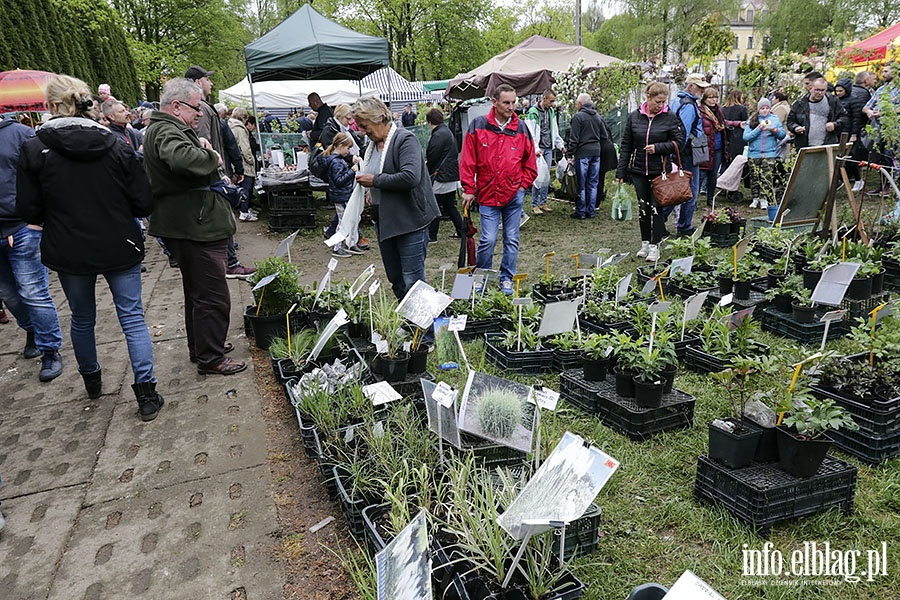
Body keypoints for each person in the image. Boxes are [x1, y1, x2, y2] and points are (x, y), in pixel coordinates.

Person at [16, 74, 164, 419]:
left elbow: (29, 210)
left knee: (82, 318)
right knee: (132, 318)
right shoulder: (116, 144)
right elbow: (143, 202)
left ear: (51, 106)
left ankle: (92, 382)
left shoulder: (35, 148)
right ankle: (146, 394)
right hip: (119, 243)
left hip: (69, 248)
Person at [142, 77, 247, 376]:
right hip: (193, 225)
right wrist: (210, 155)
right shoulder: (165, 129)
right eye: (196, 107)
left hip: (189, 223)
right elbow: (182, 159)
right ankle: (211, 357)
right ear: (176, 106)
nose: (200, 113)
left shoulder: (166, 128)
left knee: (198, 293)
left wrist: (197, 143)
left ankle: (203, 346)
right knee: (213, 296)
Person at [352, 97, 440, 300]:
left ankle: (424, 331)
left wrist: (374, 181)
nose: (363, 132)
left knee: (413, 280)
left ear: (379, 118)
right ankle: (408, 324)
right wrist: (369, 191)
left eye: (365, 126)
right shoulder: (373, 146)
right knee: (396, 279)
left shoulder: (404, 139)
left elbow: (410, 177)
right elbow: (380, 172)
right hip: (385, 221)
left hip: (410, 221)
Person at [0, 116, 65, 381]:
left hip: (21, 226)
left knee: (32, 291)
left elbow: (44, 174)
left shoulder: (20, 133)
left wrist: (38, 218)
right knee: (8, 294)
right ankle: (32, 330)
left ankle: (50, 350)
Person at [459, 84, 537, 295]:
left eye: (514, 102)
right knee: (488, 239)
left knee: (512, 239)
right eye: (506, 103)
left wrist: (523, 186)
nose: (512, 107)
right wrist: (468, 188)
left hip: (514, 195)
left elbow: (530, 161)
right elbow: (468, 160)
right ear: (494, 102)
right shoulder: (478, 125)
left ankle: (506, 278)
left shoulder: (521, 127)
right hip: (487, 194)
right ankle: (481, 276)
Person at [184, 65, 254, 279]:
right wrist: (218, 171)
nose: (211, 83)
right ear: (198, 82)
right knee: (222, 217)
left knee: (224, 219)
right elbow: (204, 141)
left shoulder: (204, 107)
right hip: (215, 173)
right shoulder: (201, 109)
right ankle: (229, 264)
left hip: (217, 170)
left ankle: (226, 261)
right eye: (208, 79)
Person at [615, 81, 684, 263]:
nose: (661, 105)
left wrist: (659, 147)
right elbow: (626, 146)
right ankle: (645, 243)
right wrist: (621, 171)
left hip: (659, 172)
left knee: (657, 209)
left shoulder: (670, 117)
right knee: (643, 208)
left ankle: (655, 246)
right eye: (657, 102)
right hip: (638, 170)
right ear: (648, 98)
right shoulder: (634, 117)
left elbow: (679, 143)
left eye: (663, 102)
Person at [670, 73, 709, 236]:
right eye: (700, 88)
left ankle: (658, 222)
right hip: (686, 154)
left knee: (674, 189)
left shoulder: (675, 101)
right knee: (690, 191)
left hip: (678, 152)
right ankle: (684, 226)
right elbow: (683, 133)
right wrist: (678, 154)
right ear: (690, 86)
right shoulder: (689, 105)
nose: (702, 91)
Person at [566, 93, 612, 219]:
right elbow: (604, 136)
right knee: (593, 183)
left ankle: (581, 211)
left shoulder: (578, 117)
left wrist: (570, 153)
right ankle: (591, 211)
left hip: (583, 153)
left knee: (581, 183)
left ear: (580, 104)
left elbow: (574, 138)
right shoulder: (597, 116)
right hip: (596, 152)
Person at [323, 132, 364, 258]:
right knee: (343, 222)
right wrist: (352, 172)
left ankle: (351, 243)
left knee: (352, 219)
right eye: (347, 148)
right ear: (340, 146)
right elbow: (339, 181)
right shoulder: (336, 163)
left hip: (343, 195)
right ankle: (337, 247)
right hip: (341, 196)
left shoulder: (337, 160)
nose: (348, 151)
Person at [425, 108, 464, 243]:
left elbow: (433, 155)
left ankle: (432, 235)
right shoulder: (446, 131)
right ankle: (461, 230)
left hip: (441, 175)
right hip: (451, 174)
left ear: (430, 121)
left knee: (435, 205)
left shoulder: (438, 135)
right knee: (449, 205)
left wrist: (427, 168)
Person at [525, 89, 566, 215]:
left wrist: (560, 144)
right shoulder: (533, 113)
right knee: (537, 177)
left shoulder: (551, 111)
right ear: (544, 98)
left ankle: (543, 202)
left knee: (546, 177)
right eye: (551, 101)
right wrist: (536, 148)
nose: (553, 103)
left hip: (548, 148)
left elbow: (555, 130)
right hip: (538, 150)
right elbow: (530, 133)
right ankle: (534, 204)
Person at [743, 98, 786, 210]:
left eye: (767, 108)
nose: (765, 110)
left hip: (769, 153)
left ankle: (764, 198)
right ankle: (755, 198)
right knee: (754, 177)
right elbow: (746, 137)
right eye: (762, 108)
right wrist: (759, 129)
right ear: (758, 110)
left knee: (766, 176)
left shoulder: (775, 119)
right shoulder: (752, 120)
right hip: (754, 153)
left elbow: (782, 135)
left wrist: (774, 130)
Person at [787, 77, 848, 150]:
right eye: (817, 90)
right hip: (805, 146)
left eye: (823, 90)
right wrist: (795, 128)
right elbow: (790, 121)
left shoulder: (832, 101)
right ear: (810, 89)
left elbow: (845, 117)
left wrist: (835, 124)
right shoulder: (799, 104)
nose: (820, 93)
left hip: (827, 145)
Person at [697, 87, 728, 207]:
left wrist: (737, 123)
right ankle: (693, 200)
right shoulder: (700, 111)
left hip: (718, 147)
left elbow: (723, 124)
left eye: (715, 97)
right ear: (704, 99)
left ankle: (710, 198)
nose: (713, 100)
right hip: (705, 147)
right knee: (701, 174)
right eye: (710, 97)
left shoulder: (719, 110)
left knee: (713, 174)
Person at [228, 107, 258, 222]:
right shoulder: (240, 129)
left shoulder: (230, 126)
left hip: (234, 161)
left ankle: (242, 210)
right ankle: (244, 212)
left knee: (238, 187)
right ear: (243, 118)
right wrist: (250, 160)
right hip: (243, 163)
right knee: (246, 187)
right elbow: (245, 148)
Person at [721, 89, 749, 171]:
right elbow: (745, 123)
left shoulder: (723, 109)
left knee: (726, 161)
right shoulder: (742, 109)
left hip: (727, 136)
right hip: (738, 137)